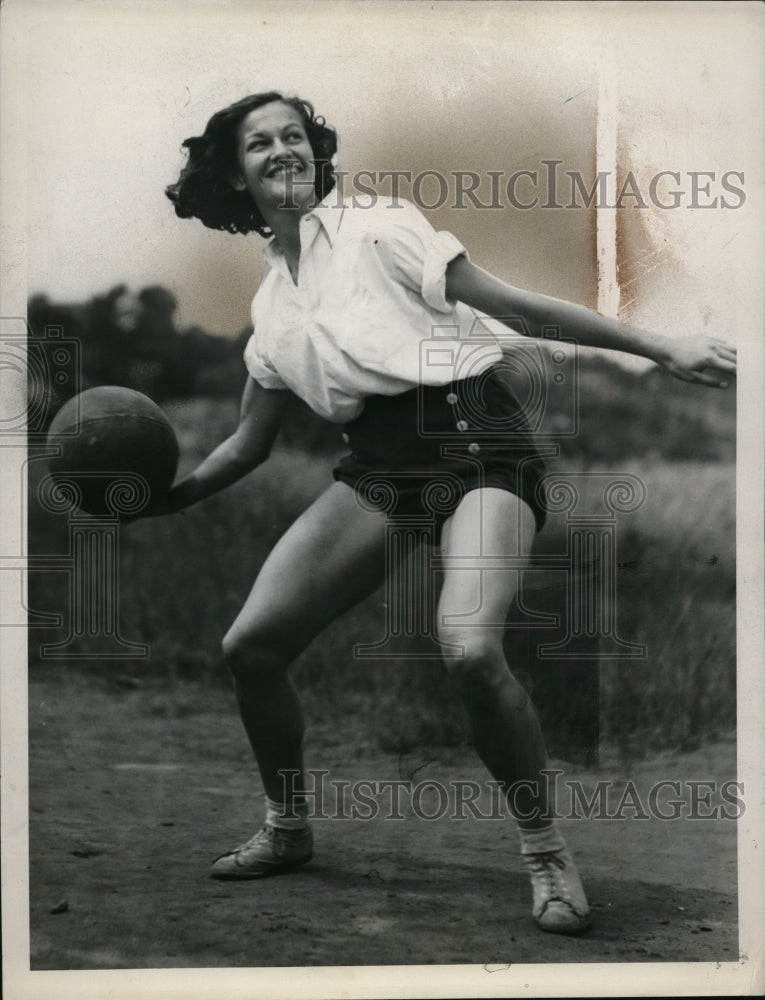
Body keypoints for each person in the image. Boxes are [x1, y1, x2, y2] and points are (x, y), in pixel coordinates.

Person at [158, 91, 736, 935]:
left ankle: (544, 853)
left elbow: (520, 310)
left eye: (294, 136)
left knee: (467, 647)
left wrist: (664, 344)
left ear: (317, 152)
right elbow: (247, 444)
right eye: (258, 143)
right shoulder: (271, 310)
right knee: (252, 646)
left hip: (475, 440)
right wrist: (158, 502)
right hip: (382, 465)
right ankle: (289, 829)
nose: (282, 151)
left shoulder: (379, 227)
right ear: (232, 173)